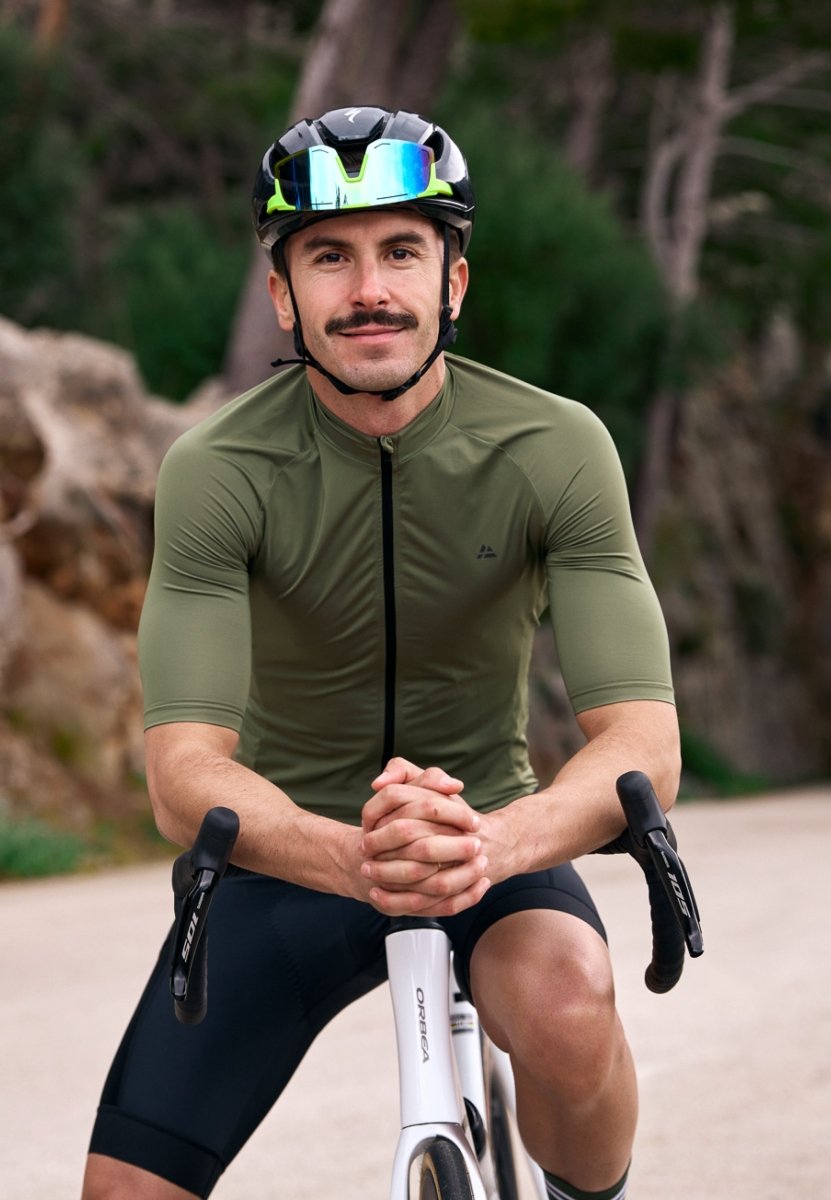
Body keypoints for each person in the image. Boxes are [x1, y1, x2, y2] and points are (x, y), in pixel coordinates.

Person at [82, 105, 680, 1200]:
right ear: (282, 295)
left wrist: (490, 848)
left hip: (491, 832)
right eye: (329, 257)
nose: (369, 289)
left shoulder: (556, 447)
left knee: (569, 1000)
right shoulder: (218, 468)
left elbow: (640, 740)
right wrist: (355, 857)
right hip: (288, 850)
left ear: (454, 281)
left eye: (403, 250)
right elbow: (184, 774)